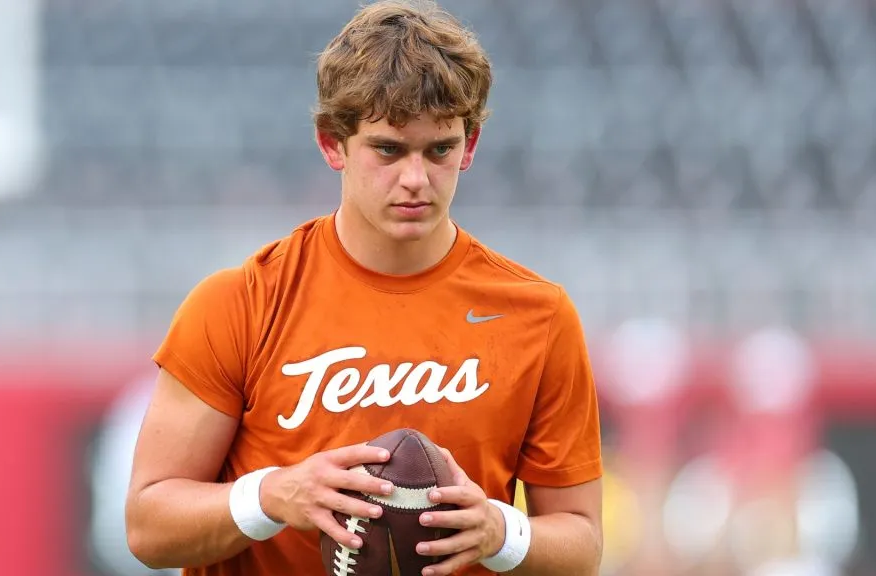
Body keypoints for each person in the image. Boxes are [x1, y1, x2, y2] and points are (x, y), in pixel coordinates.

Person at [125, 1, 604, 575]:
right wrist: (270, 496)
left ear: (470, 146)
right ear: (333, 144)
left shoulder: (539, 316)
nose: (415, 179)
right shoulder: (240, 304)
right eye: (388, 149)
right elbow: (148, 526)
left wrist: (501, 533)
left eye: (440, 150)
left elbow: (582, 545)